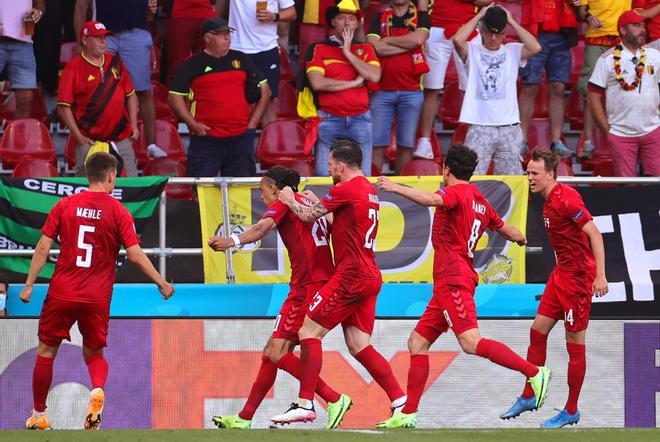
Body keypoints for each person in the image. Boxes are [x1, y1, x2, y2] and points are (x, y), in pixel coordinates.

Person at [374, 144, 550, 429]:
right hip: (450, 280)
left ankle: (533, 372)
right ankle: (408, 413)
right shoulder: (479, 198)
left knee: (470, 342)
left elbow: (430, 199)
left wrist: (396, 187)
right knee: (417, 342)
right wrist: (520, 238)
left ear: (446, 169)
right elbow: (508, 229)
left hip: (453, 279)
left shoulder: (454, 193)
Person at [19, 152, 174, 431]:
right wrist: (161, 282)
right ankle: (97, 389)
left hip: (62, 293)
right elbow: (136, 255)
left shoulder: (65, 205)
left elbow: (43, 247)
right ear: (112, 176)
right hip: (96, 296)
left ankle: (38, 415)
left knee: (46, 351)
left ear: (88, 175)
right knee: (94, 353)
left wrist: (30, 284)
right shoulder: (118, 212)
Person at [270, 140, 406, 425]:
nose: (329, 169)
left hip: (351, 274)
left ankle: (306, 403)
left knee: (308, 331)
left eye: (331, 165)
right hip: (369, 273)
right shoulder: (367, 190)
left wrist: (289, 199)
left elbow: (307, 216)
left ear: (341, 166)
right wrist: (312, 200)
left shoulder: (344, 189)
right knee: (359, 344)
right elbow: (338, 220)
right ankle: (401, 402)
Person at [208, 166, 352, 430]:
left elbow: (263, 227)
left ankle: (333, 398)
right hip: (314, 284)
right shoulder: (309, 201)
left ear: (275, 188)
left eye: (262, 191)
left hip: (307, 287)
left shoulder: (285, 203)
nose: (262, 197)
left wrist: (232, 241)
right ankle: (244, 417)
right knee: (271, 353)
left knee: (275, 353)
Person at [500, 148, 608, 428]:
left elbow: (595, 234)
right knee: (537, 331)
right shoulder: (546, 201)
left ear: (550, 174)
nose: (529, 178)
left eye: (534, 173)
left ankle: (571, 409)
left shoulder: (567, 199)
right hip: (560, 276)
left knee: (574, 345)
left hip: (578, 281)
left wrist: (600, 276)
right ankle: (528, 394)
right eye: (527, 173)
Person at [168, 17, 271, 178]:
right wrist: (193, 124)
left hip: (240, 138)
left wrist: (252, 124)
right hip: (206, 139)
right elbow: (174, 97)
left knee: (240, 191)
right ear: (207, 38)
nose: (227, 38)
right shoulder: (192, 64)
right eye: (221, 35)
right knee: (203, 189)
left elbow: (265, 90)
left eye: (228, 34)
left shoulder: (241, 59)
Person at [453, 4, 541, 175]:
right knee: (472, 176)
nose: (493, 38)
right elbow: (457, 39)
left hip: (509, 126)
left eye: (498, 33)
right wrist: (480, 15)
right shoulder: (472, 50)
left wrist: (511, 21)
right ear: (482, 31)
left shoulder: (512, 50)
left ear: (503, 34)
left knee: (511, 180)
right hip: (480, 125)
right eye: (489, 32)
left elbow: (535, 47)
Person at [74, 0, 166, 161]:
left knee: (143, 90)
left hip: (136, 32)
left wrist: (150, 10)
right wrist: (80, 43)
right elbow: (81, 7)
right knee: (95, 90)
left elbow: (150, 13)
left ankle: (151, 145)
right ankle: (91, 141)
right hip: (102, 34)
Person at [303, 0, 381, 177]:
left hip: (360, 118)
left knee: (362, 178)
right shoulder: (318, 48)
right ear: (332, 22)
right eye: (341, 18)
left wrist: (347, 52)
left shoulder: (366, 48)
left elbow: (374, 75)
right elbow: (318, 83)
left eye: (351, 19)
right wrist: (352, 84)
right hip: (329, 118)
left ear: (357, 23)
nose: (346, 23)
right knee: (324, 177)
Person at [575, 0, 659, 160]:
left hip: (625, 37)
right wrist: (588, 17)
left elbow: (640, 10)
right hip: (596, 37)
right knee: (589, 92)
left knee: (638, 87)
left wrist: (638, 23)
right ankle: (588, 141)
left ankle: (641, 134)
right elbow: (581, 12)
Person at [57, 20, 140, 177]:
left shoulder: (116, 62)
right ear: (84, 40)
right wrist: (79, 137)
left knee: (131, 186)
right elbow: (63, 106)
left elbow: (131, 95)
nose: (103, 41)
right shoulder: (73, 67)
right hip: (89, 140)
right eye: (97, 37)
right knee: (86, 189)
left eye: (105, 37)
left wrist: (134, 125)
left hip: (120, 138)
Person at [415, 0, 493, 159]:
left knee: (472, 89)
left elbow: (487, 1)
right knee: (431, 88)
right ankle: (424, 141)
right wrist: (422, 16)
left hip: (467, 28)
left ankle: (478, 139)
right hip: (436, 28)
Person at [366, 0, 430, 174]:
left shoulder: (421, 15)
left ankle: (399, 190)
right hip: (381, 91)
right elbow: (374, 47)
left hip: (412, 90)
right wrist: (408, 46)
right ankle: (372, 190)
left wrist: (387, 40)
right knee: (376, 145)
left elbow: (419, 39)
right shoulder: (379, 15)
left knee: (406, 145)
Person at [219, 0, 297, 125]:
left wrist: (274, 16)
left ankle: (269, 143)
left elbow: (292, 13)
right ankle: (238, 142)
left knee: (268, 102)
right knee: (234, 101)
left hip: (267, 48)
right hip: (237, 48)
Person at [517, 0, 578, 158]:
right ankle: (521, 140)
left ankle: (556, 141)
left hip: (562, 32)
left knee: (558, 87)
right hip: (535, 30)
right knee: (529, 86)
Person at [0, 0, 45, 118]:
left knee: (25, 98)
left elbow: (40, 4)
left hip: (23, 41)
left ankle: (18, 136)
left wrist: (38, 12)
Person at [163, 0, 217, 86]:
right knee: (178, 66)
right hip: (181, 12)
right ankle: (177, 98)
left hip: (202, 12)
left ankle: (205, 96)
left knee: (207, 65)